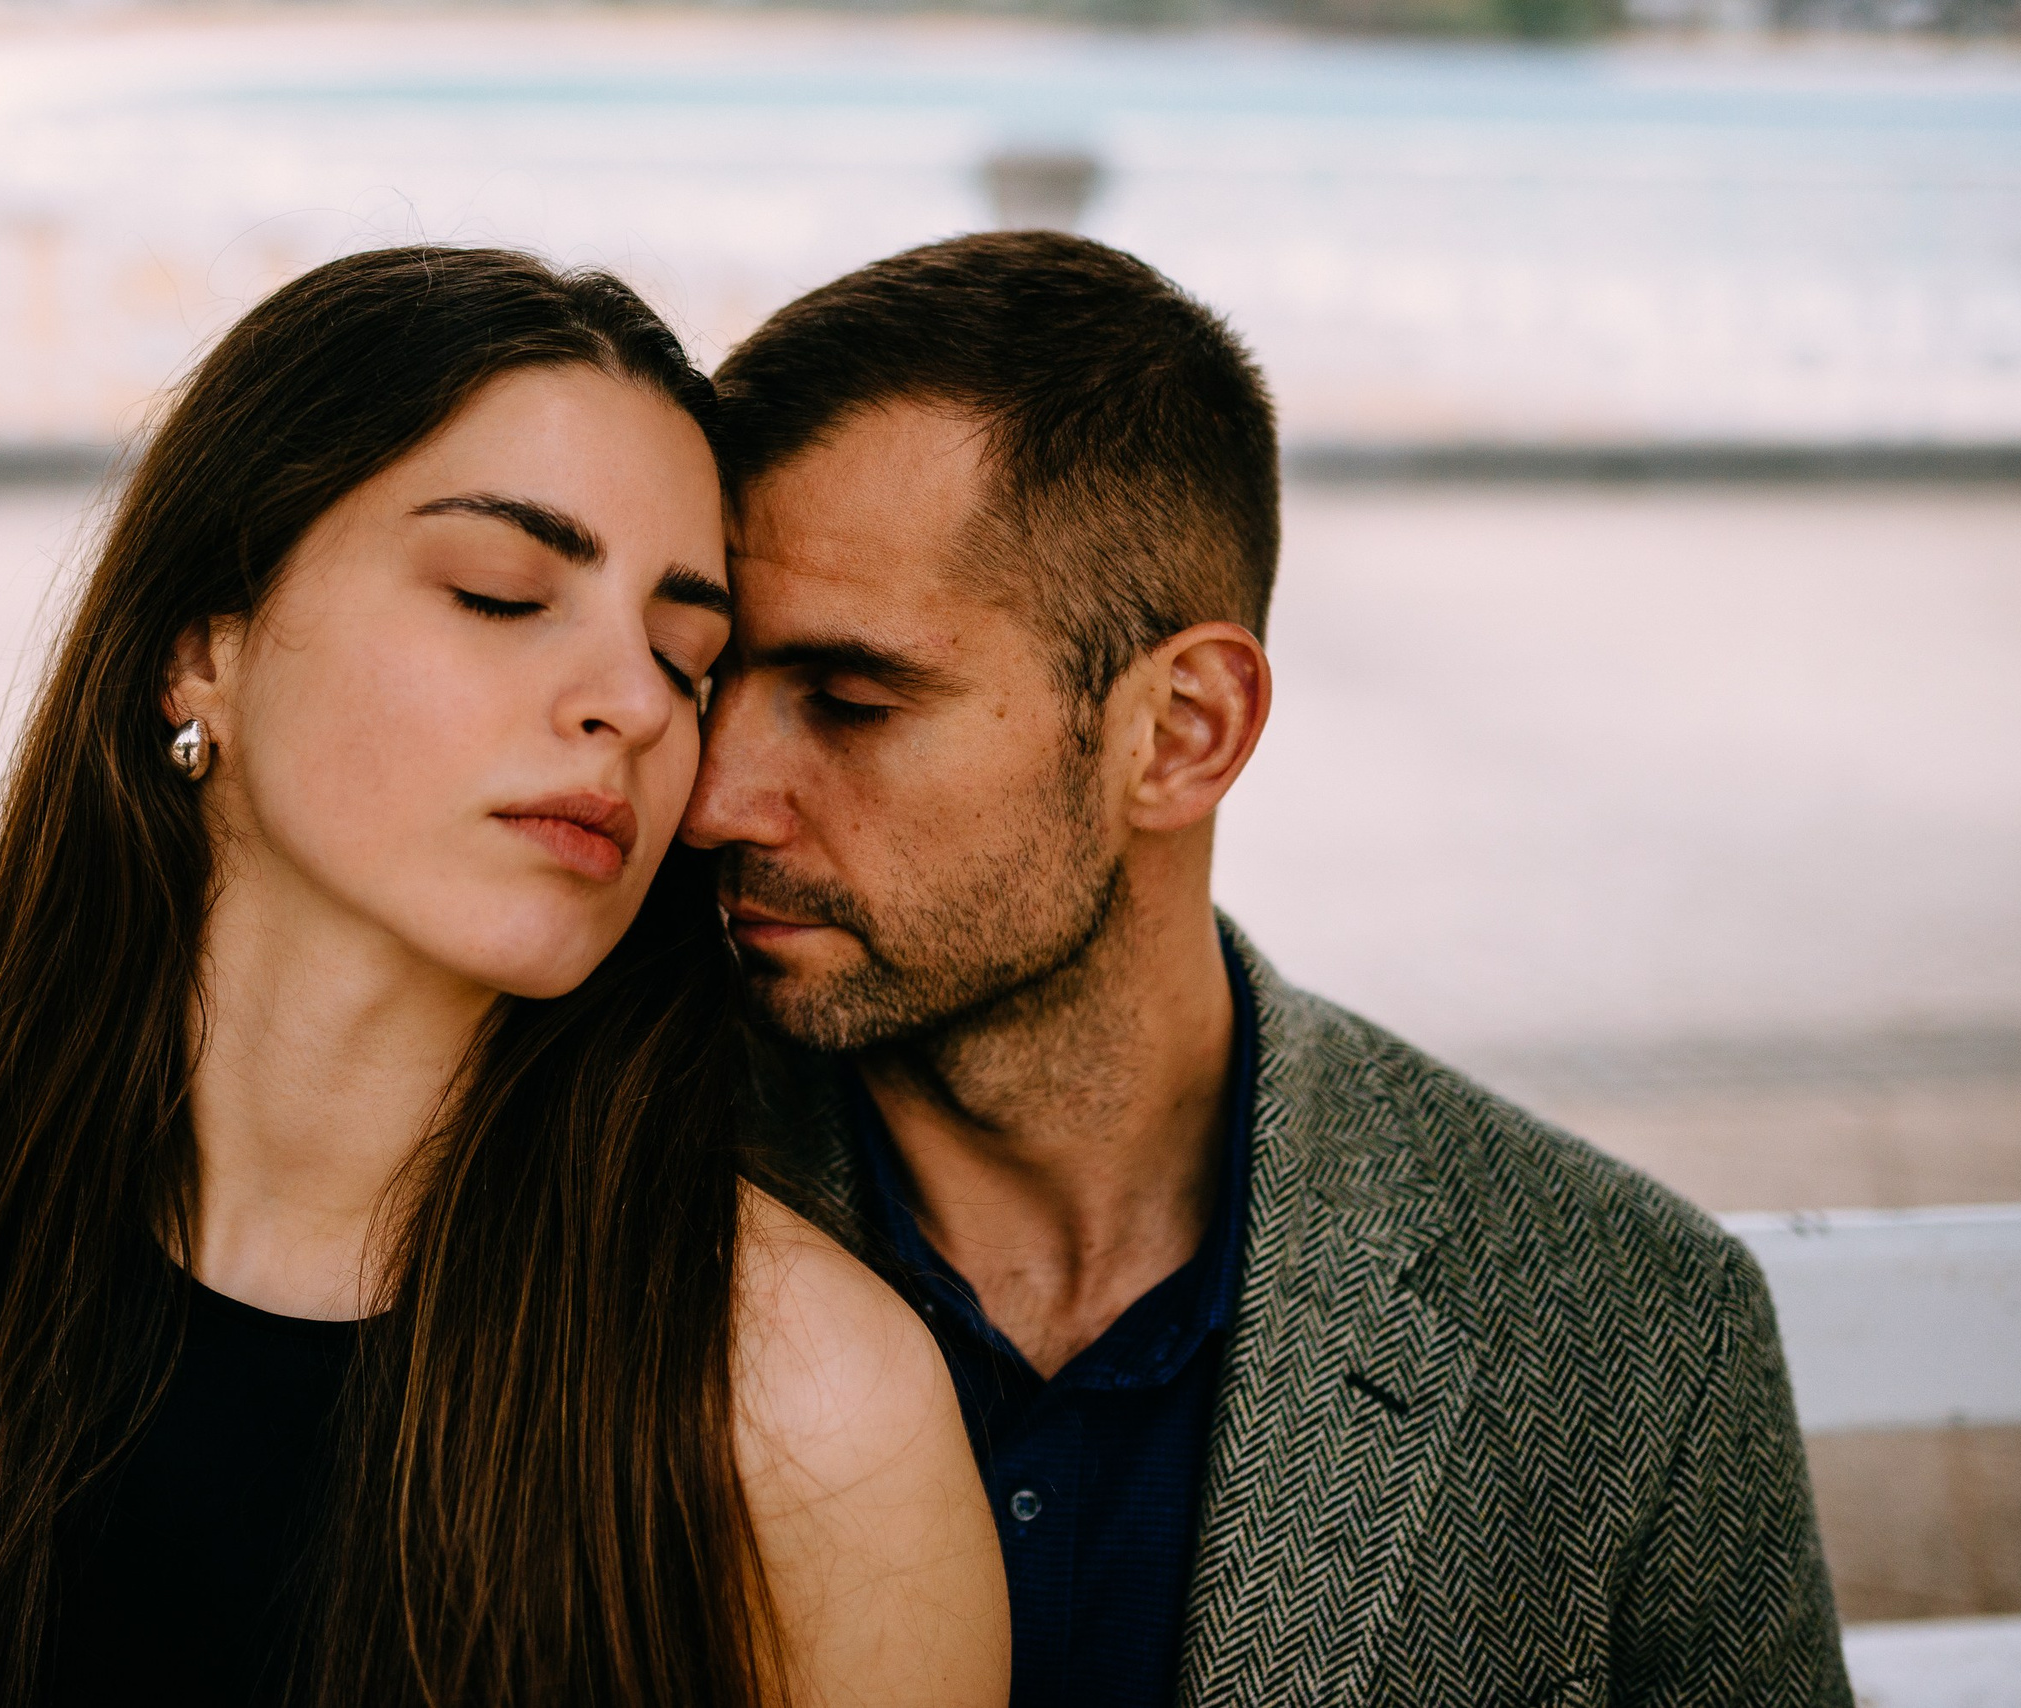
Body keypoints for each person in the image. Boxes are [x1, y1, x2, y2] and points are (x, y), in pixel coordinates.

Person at [0, 247, 1009, 1708]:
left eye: (684, 659)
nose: (628, 702)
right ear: (200, 652)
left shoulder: (804, 1400)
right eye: (500, 593)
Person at [687, 230, 1851, 1707]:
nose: (719, 798)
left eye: (849, 702)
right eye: (712, 676)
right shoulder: (583, 1206)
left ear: (1182, 731)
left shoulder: (1631, 1336)